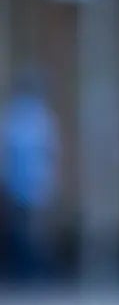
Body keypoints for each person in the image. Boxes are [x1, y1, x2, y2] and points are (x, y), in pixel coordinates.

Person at [4, 69, 58, 281]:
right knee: (28, 232)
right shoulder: (38, 117)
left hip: (26, 184)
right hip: (31, 184)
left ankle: (30, 273)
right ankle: (30, 273)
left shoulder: (25, 116)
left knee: (27, 232)